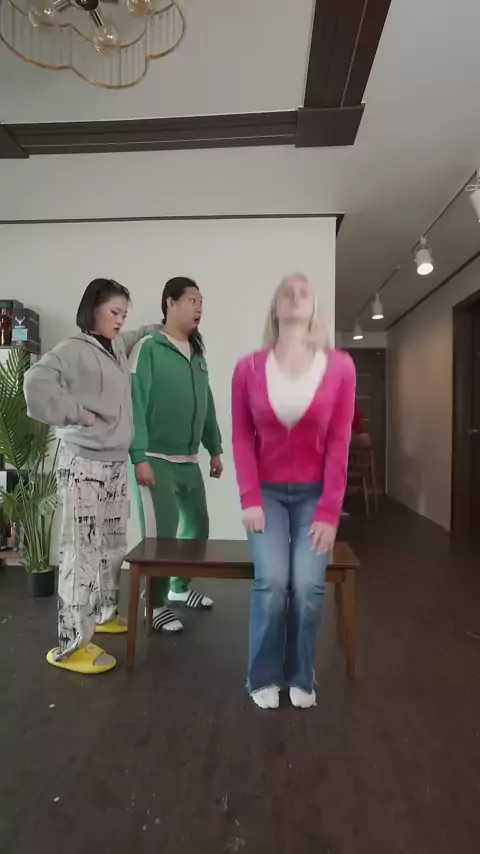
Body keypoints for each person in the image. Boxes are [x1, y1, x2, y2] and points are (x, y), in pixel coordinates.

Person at [231, 273, 355, 710]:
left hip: (315, 496)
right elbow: (242, 438)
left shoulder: (340, 367)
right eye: (287, 291)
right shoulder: (247, 368)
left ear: (314, 308)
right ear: (276, 307)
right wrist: (249, 497)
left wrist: (330, 510)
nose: (296, 296)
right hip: (265, 493)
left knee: (306, 587)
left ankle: (301, 673)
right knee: (271, 584)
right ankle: (262, 675)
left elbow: (340, 441)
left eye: (304, 292)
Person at [24, 278, 160, 674]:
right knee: (80, 553)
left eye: (124, 314)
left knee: (112, 545)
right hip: (83, 463)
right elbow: (35, 383)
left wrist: (156, 327)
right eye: (114, 312)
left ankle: (105, 613)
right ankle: (71, 646)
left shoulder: (115, 345)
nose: (120, 321)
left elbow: (135, 335)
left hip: (114, 464)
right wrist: (78, 414)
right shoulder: (73, 349)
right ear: (93, 310)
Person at [129, 277, 223, 634]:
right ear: (170, 303)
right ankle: (154, 605)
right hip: (154, 457)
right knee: (161, 537)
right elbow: (136, 401)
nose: (199, 307)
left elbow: (206, 405)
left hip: (188, 460)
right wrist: (138, 456)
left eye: (201, 301)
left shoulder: (197, 355)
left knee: (198, 528)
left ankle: (179, 589)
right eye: (192, 300)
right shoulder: (149, 348)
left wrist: (214, 449)